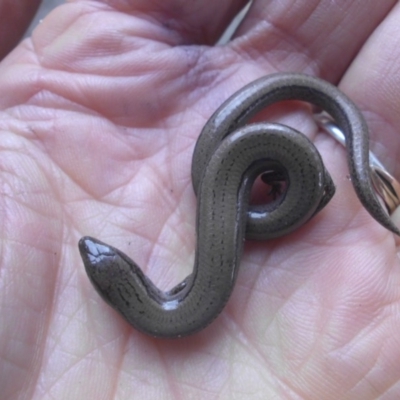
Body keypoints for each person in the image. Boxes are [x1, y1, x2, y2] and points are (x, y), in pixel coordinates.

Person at [1, 1, 399, 399]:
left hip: (257, 168)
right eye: (105, 258)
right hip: (259, 174)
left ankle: (308, 189)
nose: (94, 249)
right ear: (125, 280)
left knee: (236, 179)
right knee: (261, 185)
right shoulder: (171, 309)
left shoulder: (168, 310)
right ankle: (307, 191)